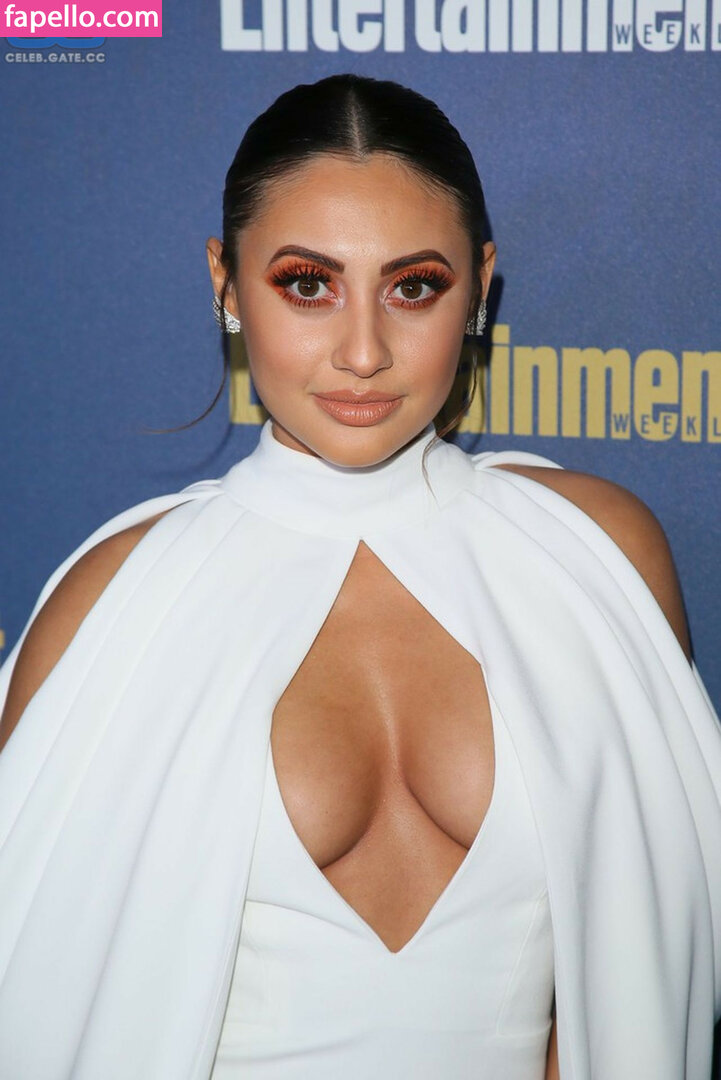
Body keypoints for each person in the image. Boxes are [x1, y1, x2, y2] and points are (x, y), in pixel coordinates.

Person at [0, 73, 719, 1080]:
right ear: (225, 283)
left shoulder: (596, 555)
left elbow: (632, 972)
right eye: (308, 284)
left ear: (480, 287)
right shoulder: (116, 602)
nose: (364, 351)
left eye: (412, 286)